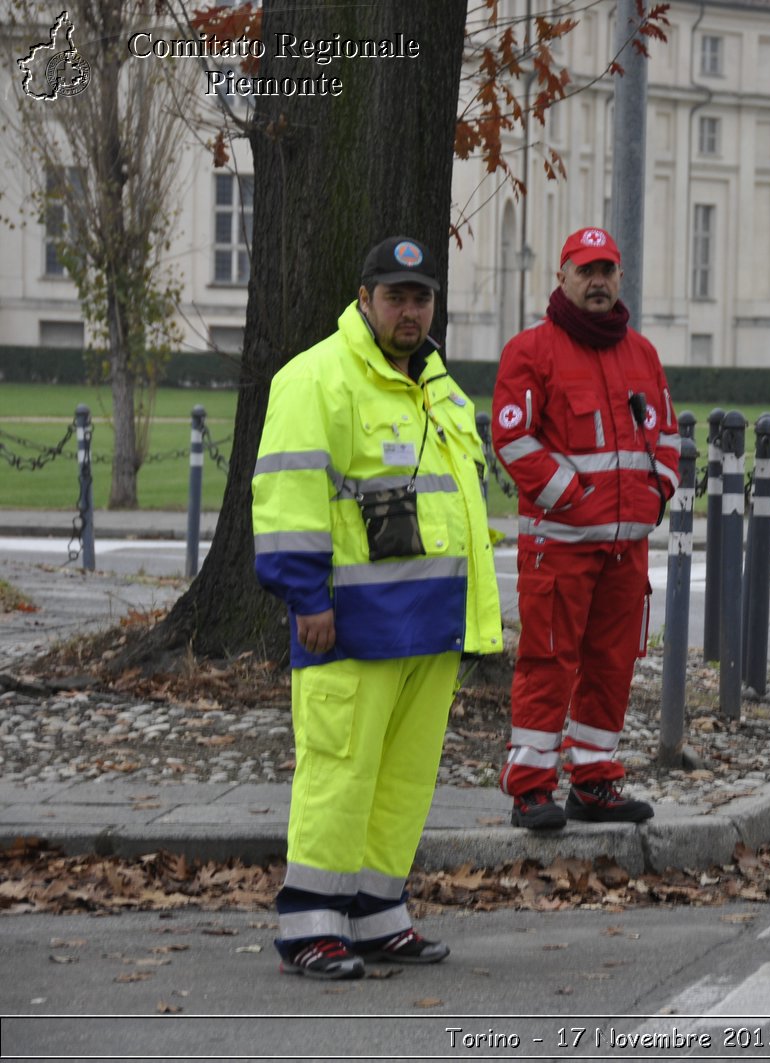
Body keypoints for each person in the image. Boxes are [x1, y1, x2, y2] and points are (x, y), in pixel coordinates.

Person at [252, 236, 503, 979]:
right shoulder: (318, 378)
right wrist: (304, 596)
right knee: (339, 771)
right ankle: (309, 923)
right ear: (364, 299)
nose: (409, 309)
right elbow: (287, 494)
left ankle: (375, 911)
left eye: (420, 296)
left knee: (402, 778)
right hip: (350, 624)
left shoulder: (438, 385)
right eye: (394, 296)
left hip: (429, 624)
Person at [491, 226, 679, 831]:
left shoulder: (642, 355)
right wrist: (574, 499)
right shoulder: (531, 351)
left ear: (620, 279)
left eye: (607, 271)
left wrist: (659, 494)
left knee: (612, 661)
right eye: (585, 270)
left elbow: (668, 437)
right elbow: (514, 440)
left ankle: (594, 779)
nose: (597, 282)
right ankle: (530, 787)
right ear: (562, 277)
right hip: (560, 548)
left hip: (627, 550)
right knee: (548, 661)